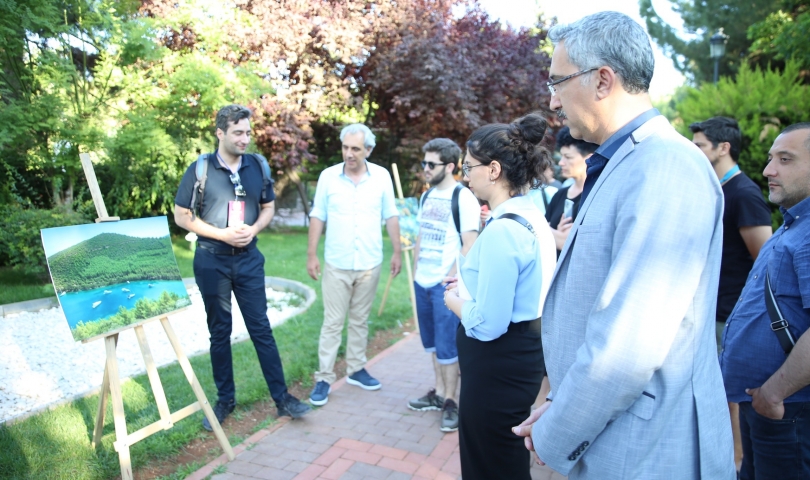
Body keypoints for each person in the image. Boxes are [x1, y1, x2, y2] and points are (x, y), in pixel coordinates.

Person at [512, 12, 735, 479]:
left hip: (646, 448)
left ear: (602, 81)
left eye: (558, 82)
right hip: (619, 434)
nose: (551, 99)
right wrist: (558, 402)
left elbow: (627, 344)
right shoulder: (630, 159)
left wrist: (554, 432)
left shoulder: (665, 167)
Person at [174, 104, 310, 431]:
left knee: (261, 329)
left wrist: (255, 229)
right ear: (220, 133)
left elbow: (268, 207)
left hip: (249, 261)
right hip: (211, 261)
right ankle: (225, 401)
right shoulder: (201, 169)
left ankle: (282, 399)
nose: (245, 139)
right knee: (219, 333)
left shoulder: (257, 166)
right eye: (238, 132)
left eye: (248, 132)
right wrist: (221, 233)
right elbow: (182, 216)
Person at [443, 113, 557, 480]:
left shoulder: (503, 231)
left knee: (489, 460)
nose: (465, 175)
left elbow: (489, 324)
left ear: (493, 169)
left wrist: (455, 301)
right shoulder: (531, 216)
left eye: (468, 166)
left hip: (498, 362)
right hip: (520, 355)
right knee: (500, 455)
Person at [720, 123, 810, 480]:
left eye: (785, 160)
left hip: (787, 408)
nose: (768, 170)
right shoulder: (794, 225)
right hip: (765, 404)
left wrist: (774, 394)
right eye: (771, 158)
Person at [690, 116, 773, 471]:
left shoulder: (744, 193)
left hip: (731, 316)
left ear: (723, 148)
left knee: (729, 396)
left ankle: (734, 463)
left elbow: (765, 262)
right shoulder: (715, 189)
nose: (693, 151)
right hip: (712, 311)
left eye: (700, 146)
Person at [307, 124, 402, 406]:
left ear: (368, 150)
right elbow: (317, 215)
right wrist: (311, 254)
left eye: (355, 149)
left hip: (370, 263)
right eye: (345, 148)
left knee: (360, 320)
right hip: (336, 262)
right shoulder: (328, 177)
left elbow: (391, 215)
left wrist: (397, 251)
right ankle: (323, 378)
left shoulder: (381, 177)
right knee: (333, 323)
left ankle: (356, 369)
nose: (349, 154)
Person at [408, 138, 480, 433]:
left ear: (450, 166)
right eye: (424, 162)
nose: (425, 168)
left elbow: (469, 244)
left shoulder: (463, 198)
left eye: (431, 164)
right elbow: (422, 236)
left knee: (449, 347)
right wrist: (414, 271)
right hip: (422, 281)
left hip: (444, 285)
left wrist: (448, 279)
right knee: (433, 345)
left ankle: (451, 400)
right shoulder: (426, 197)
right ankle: (438, 393)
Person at [544, 126, 598, 253]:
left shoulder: (596, 197)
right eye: (562, 156)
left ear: (590, 159)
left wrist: (546, 232)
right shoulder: (560, 194)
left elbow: (571, 244)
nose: (561, 163)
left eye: (568, 157)